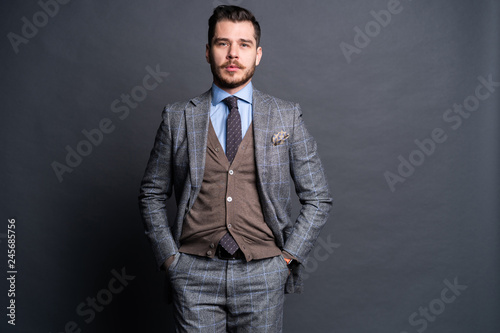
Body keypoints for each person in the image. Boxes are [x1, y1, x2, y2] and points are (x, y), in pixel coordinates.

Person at [139, 5, 332, 332]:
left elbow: (318, 197)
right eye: (222, 43)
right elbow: (151, 194)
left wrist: (285, 260)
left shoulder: (286, 116)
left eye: (243, 44)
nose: (232, 54)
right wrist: (170, 259)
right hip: (193, 274)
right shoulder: (177, 118)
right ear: (207, 52)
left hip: (263, 274)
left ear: (258, 54)